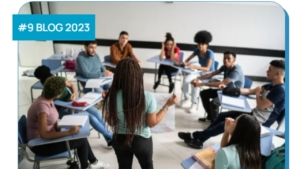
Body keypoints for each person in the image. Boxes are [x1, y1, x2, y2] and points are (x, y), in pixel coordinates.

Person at [178, 60, 285, 149]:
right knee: (222, 116)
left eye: (270, 70)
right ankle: (199, 140)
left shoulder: (280, 90)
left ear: (277, 74)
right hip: (253, 115)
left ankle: (195, 136)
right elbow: (249, 91)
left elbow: (261, 105)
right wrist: (229, 89)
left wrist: (257, 94)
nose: (267, 71)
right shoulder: (270, 86)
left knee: (225, 125)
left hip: (259, 123)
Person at [102, 58, 178, 169]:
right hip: (141, 141)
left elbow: (112, 122)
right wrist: (167, 105)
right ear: (138, 75)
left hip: (119, 140)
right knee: (147, 166)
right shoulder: (147, 96)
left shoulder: (111, 96)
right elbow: (152, 123)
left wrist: (107, 102)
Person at [27, 76, 110, 169]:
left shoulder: (47, 99)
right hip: (41, 145)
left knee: (80, 136)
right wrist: (68, 132)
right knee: (81, 141)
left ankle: (94, 162)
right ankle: (86, 166)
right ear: (58, 94)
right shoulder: (43, 106)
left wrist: (60, 129)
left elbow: (51, 120)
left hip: (47, 139)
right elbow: (44, 134)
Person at [34, 65, 113, 147]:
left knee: (96, 113)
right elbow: (50, 107)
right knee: (90, 117)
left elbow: (71, 85)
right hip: (63, 109)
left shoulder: (59, 80)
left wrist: (74, 94)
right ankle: (112, 137)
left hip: (73, 102)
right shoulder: (47, 92)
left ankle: (109, 139)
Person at [192, 51, 244, 120]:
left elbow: (221, 83)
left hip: (234, 93)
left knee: (214, 103)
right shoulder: (225, 66)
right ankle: (211, 117)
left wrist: (201, 84)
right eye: (224, 58)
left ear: (234, 60)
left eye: (229, 58)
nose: (226, 60)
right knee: (203, 93)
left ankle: (214, 123)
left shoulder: (236, 71)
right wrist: (198, 78)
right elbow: (211, 74)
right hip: (225, 89)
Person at [181, 30, 215, 112]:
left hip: (209, 74)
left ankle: (194, 103)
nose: (200, 46)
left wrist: (194, 66)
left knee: (195, 83)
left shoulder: (210, 53)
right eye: (199, 44)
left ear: (206, 45)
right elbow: (188, 59)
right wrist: (184, 63)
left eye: (202, 44)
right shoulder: (197, 51)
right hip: (200, 71)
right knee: (186, 80)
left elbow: (207, 68)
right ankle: (187, 98)